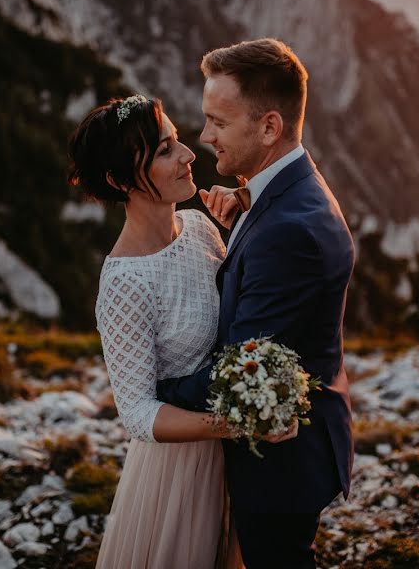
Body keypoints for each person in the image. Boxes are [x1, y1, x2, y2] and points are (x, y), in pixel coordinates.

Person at [68, 94, 293, 569]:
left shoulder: (199, 227)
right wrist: (235, 424)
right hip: (179, 474)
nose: (190, 154)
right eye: (166, 149)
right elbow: (137, 412)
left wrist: (242, 225)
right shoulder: (124, 284)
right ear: (119, 180)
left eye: (176, 140)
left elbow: (238, 314)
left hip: (241, 461)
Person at [156, 38, 355, 569]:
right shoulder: (288, 192)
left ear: (269, 127)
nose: (204, 137)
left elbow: (241, 368)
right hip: (301, 439)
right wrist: (238, 223)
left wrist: (154, 388)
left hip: (281, 462)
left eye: (219, 122)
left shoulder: (286, 230)